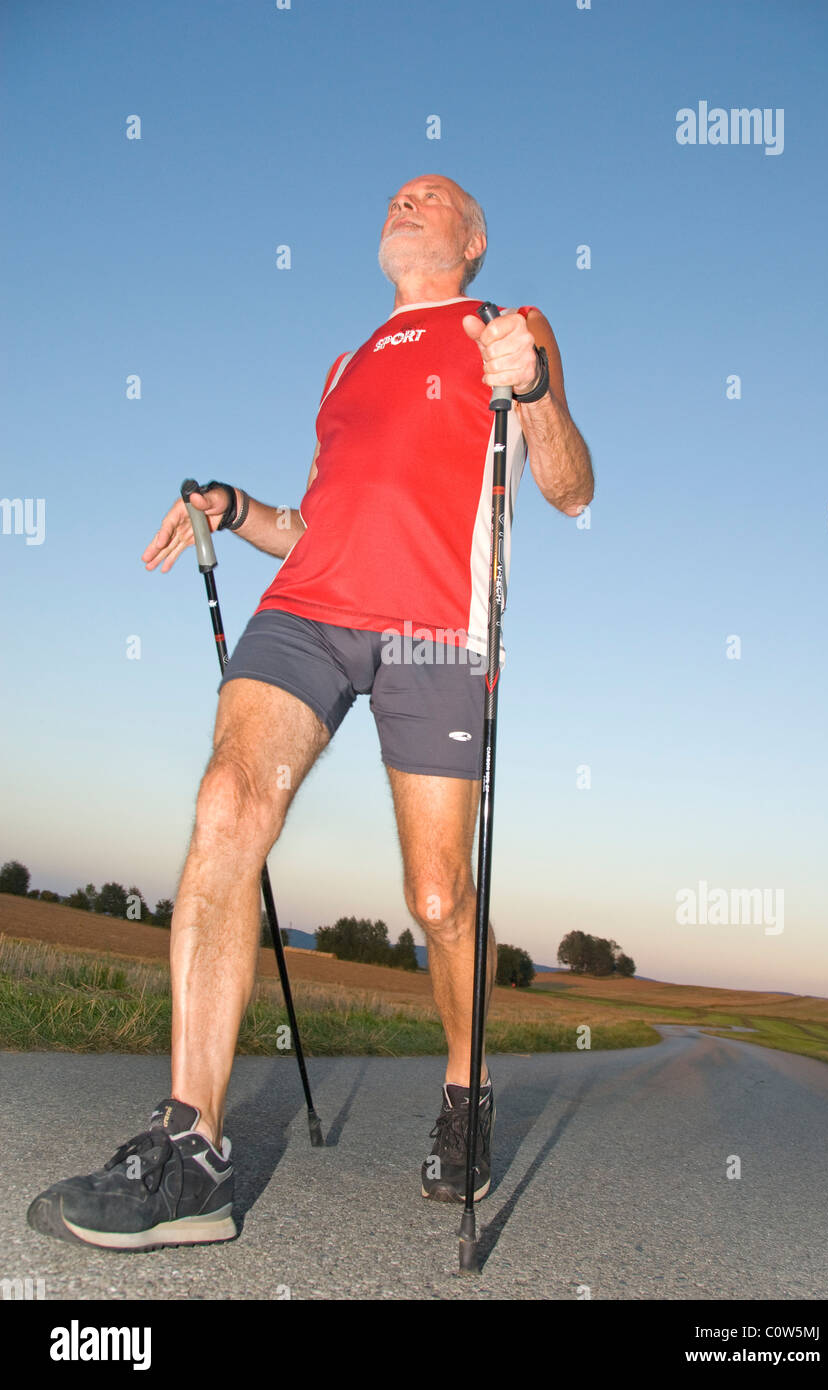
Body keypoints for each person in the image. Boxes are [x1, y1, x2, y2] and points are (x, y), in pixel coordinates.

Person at [27, 174, 593, 1250]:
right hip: (309, 611)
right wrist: (235, 510)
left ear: (473, 239)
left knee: (436, 895)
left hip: (436, 625)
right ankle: (192, 1146)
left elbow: (571, 489)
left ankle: (466, 1086)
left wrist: (535, 391)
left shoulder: (508, 329)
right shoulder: (342, 368)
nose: (407, 198)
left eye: (434, 196)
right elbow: (319, 521)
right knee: (227, 802)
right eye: (397, 192)